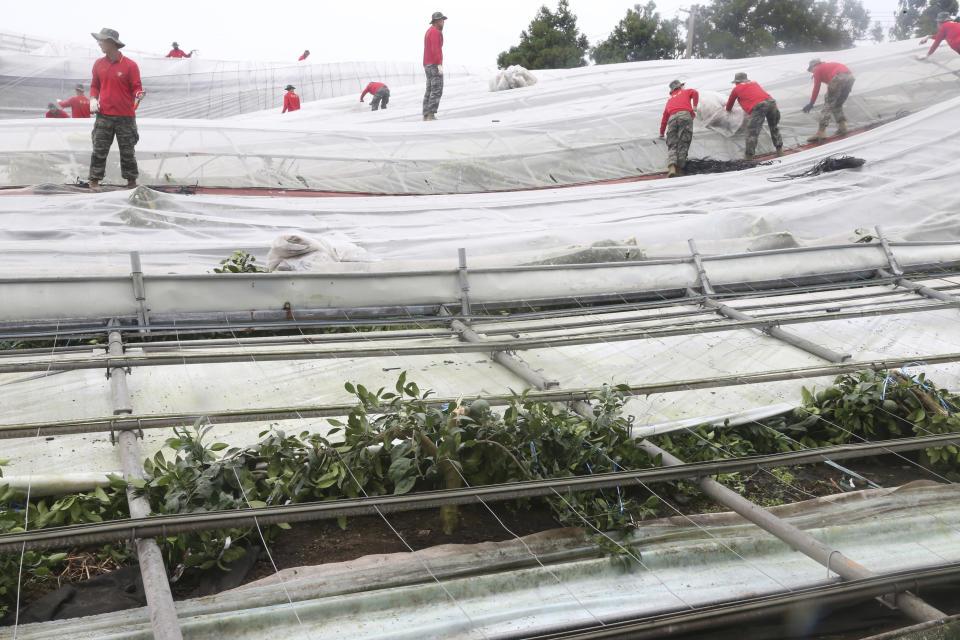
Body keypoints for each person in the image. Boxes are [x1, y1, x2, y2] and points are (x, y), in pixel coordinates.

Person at [88, 28, 144, 192]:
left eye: (102, 41)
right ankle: (94, 181)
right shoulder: (99, 64)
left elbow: (136, 87)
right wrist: (93, 99)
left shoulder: (130, 65)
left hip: (125, 116)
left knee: (127, 151)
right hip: (104, 115)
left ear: (111, 43)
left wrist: (138, 93)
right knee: (99, 149)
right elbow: (94, 85)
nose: (99, 43)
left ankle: (131, 183)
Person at [725, 72, 783, 160]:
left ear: (736, 82)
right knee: (774, 127)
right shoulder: (754, 83)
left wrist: (728, 110)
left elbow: (729, 106)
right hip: (771, 102)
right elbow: (756, 95)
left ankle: (748, 157)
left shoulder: (736, 89)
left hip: (759, 106)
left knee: (752, 132)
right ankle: (779, 150)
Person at [802, 59, 854, 142]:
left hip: (838, 77)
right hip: (850, 78)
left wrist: (811, 103)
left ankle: (821, 132)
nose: (812, 72)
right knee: (837, 105)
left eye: (811, 70)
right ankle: (843, 127)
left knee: (828, 105)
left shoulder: (818, 69)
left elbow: (816, 87)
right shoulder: (828, 66)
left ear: (814, 66)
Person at [659, 79, 698, 178]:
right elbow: (695, 92)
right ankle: (680, 169)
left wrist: (661, 133)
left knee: (672, 144)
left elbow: (664, 118)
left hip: (672, 119)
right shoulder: (685, 92)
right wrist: (695, 106)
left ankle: (672, 167)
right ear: (680, 87)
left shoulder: (670, 99)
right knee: (683, 142)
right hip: (684, 116)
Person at [422, 11, 446, 121]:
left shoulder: (429, 31)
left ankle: (426, 114)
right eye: (441, 20)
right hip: (433, 64)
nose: (443, 22)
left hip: (427, 64)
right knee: (437, 89)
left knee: (429, 89)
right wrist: (438, 65)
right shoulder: (435, 32)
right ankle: (431, 114)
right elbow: (436, 49)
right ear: (436, 21)